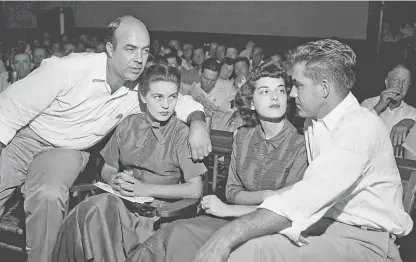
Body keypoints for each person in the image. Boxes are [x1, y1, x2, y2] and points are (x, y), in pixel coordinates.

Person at [128, 39, 413, 262]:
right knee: (186, 238)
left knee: (246, 252)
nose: (288, 95)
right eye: (267, 91)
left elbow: (302, 198)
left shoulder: (357, 129)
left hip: (359, 237)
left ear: (324, 88)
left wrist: (227, 234)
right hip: (321, 224)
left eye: (296, 86)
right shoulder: (316, 120)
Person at [0, 15, 210, 262]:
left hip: (67, 150)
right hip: (24, 136)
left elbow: (178, 100)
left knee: (48, 194)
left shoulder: (138, 89)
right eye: (130, 49)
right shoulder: (68, 69)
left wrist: (197, 123)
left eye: (144, 51)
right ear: (110, 49)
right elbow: (8, 109)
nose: (139, 59)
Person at [52, 64, 207, 262]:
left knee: (98, 214)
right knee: (90, 210)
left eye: (172, 97)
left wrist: (144, 189)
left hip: (156, 216)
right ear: (143, 97)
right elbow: (108, 168)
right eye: (158, 97)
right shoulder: (127, 124)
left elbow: (195, 190)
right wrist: (114, 179)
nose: (166, 105)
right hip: (121, 204)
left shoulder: (181, 133)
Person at [361, 63, 415, 155]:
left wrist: (412, 122)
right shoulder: (368, 104)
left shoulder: (412, 113)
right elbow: (356, 132)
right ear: (386, 82)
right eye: (396, 80)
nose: (400, 86)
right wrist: (379, 106)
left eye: (405, 81)